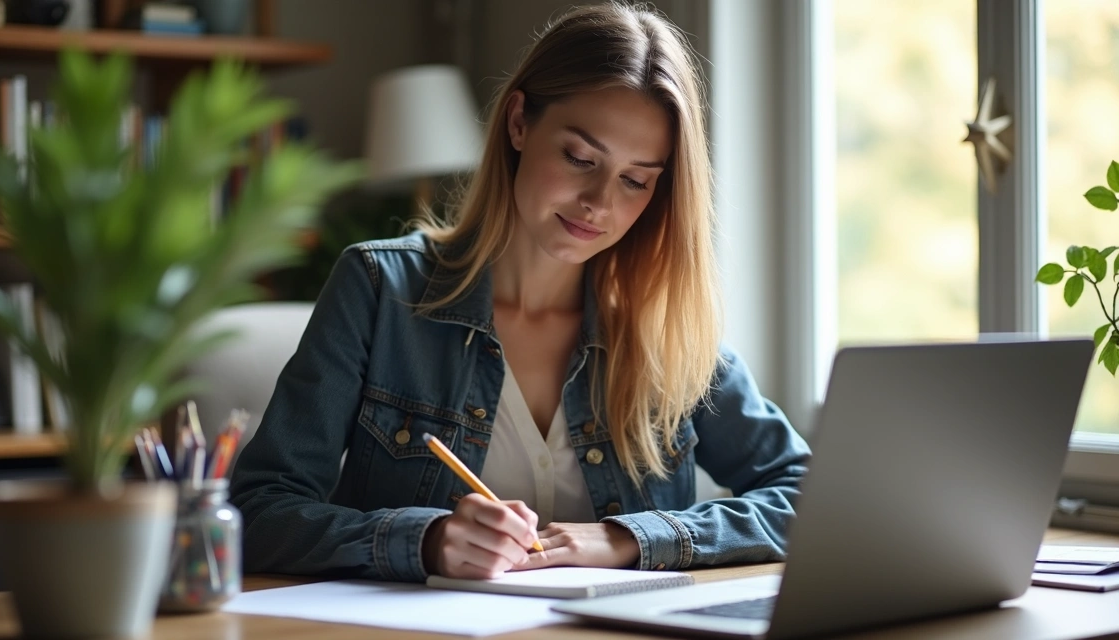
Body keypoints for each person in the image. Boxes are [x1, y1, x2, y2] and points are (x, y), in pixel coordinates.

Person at [231, 2, 811, 583]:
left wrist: (631, 538)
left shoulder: (663, 324)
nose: (600, 203)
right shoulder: (380, 289)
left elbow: (808, 494)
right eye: (580, 158)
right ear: (518, 123)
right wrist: (425, 539)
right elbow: (258, 511)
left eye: (635, 180)